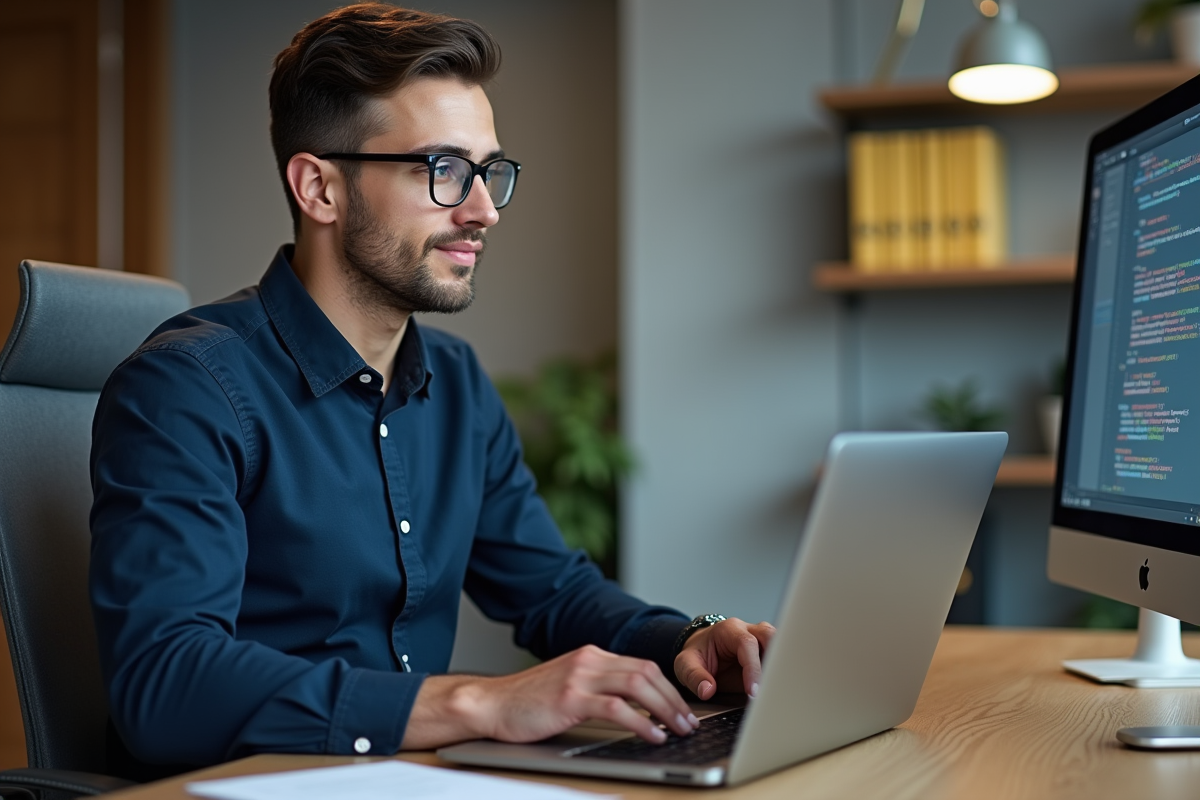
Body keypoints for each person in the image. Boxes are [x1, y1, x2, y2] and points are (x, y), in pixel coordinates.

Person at [89, 3, 774, 773]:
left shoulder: (455, 383)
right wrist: (479, 703)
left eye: (489, 172)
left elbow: (551, 590)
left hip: (410, 779)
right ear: (320, 188)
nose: (482, 210)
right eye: (444, 172)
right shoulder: (187, 387)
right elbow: (164, 687)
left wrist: (688, 642)